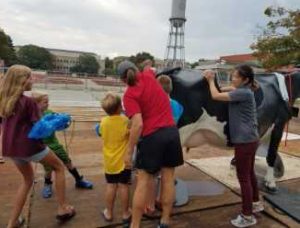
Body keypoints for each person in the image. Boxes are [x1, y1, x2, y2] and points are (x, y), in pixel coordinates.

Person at [0, 65, 75, 228]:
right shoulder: (28, 102)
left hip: (10, 149)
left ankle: (12, 222)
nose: (32, 80)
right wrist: (58, 122)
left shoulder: (4, 100)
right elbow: (40, 129)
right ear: (21, 81)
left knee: (27, 180)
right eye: (29, 77)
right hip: (29, 147)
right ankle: (62, 208)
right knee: (59, 167)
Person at [117, 60, 184, 228]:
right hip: (172, 133)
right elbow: (150, 68)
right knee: (168, 179)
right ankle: (165, 220)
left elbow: (138, 124)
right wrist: (147, 65)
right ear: (135, 70)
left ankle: (135, 225)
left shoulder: (129, 95)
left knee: (143, 181)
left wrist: (128, 151)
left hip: (153, 136)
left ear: (122, 79)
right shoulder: (148, 75)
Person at [204, 64, 264, 227]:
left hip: (244, 141)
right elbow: (227, 88)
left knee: (243, 178)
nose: (232, 78)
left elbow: (215, 95)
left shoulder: (243, 93)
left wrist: (210, 80)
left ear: (245, 80)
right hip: (251, 139)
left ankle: (247, 216)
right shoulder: (245, 90)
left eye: (235, 76)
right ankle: (256, 203)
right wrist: (222, 84)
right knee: (250, 173)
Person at [31, 92, 93, 199]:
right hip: (43, 147)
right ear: (36, 104)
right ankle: (47, 184)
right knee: (48, 169)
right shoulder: (33, 117)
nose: (48, 104)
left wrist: (64, 120)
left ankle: (79, 180)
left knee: (68, 162)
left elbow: (58, 123)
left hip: (55, 144)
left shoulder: (49, 113)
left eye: (48, 102)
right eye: (45, 102)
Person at [98, 92, 132, 225]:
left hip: (110, 161)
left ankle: (109, 212)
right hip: (124, 162)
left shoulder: (103, 122)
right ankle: (125, 213)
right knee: (124, 186)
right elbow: (131, 133)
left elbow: (101, 133)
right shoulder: (125, 121)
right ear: (120, 107)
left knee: (111, 186)